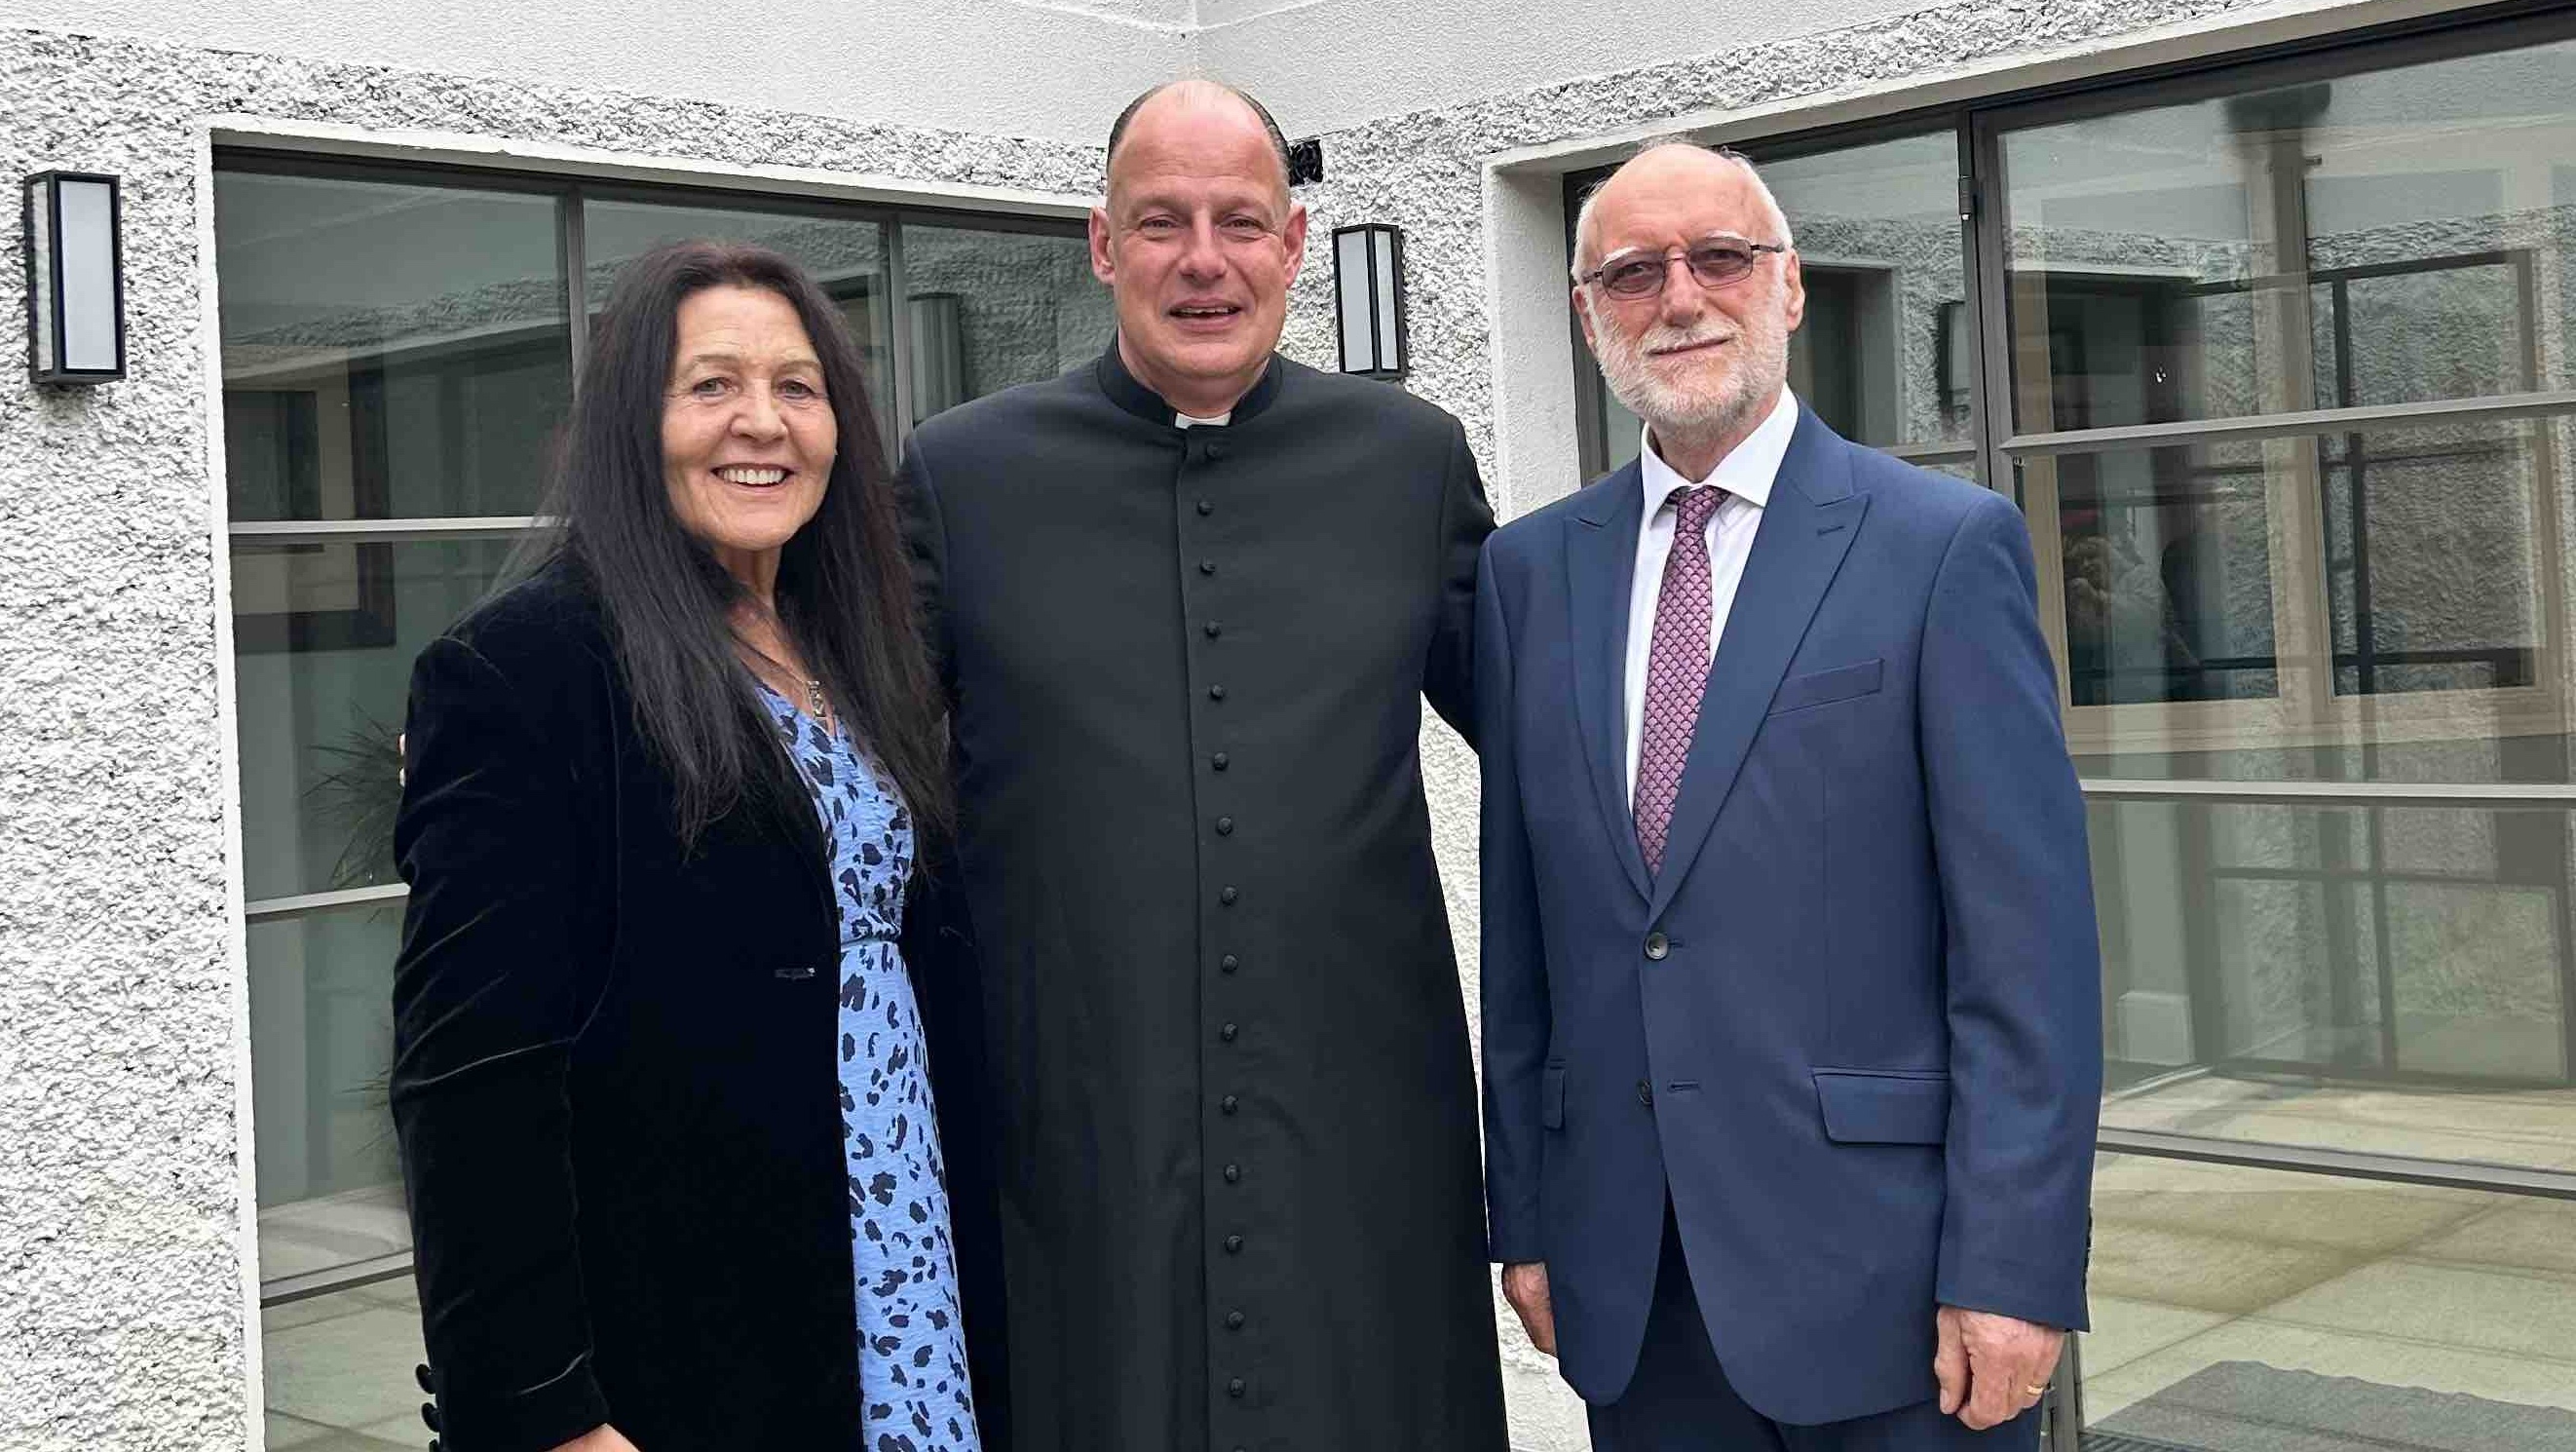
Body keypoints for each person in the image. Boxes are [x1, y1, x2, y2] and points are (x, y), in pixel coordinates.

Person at [896, 79, 1508, 1451]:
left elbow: (1564, 751)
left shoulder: (1411, 463)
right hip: (1077, 1137)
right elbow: (838, 751)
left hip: (1358, 1136)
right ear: (1102, 246)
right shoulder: (962, 475)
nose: (1203, 260)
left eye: (1240, 221)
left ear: (1294, 244)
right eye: (1160, 221)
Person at [1476, 143, 2101, 1450]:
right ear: (1590, 313)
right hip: (1635, 1286)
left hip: (1892, 1290)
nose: (1682, 299)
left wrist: (2012, 1266)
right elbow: (1527, 927)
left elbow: (2025, 958)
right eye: (1634, 273)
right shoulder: (1533, 574)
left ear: (1793, 286)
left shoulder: (1942, 548)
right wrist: (1526, 1217)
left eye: (1720, 259)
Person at [390, 241, 1004, 1452]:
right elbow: (470, 1082)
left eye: (798, 387)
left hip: (900, 1270)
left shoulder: (856, 652)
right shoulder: (526, 669)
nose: (760, 424)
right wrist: (543, 1410)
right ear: (635, 420)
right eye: (711, 384)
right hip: (684, 1338)